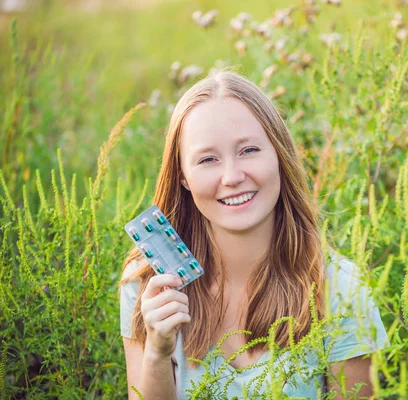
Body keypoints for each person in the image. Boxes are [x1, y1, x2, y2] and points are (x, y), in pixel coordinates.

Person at [119, 69, 389, 399]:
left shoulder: (342, 290)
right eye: (207, 159)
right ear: (183, 177)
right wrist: (157, 354)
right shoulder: (148, 283)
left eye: (248, 150)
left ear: (279, 154)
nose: (232, 176)